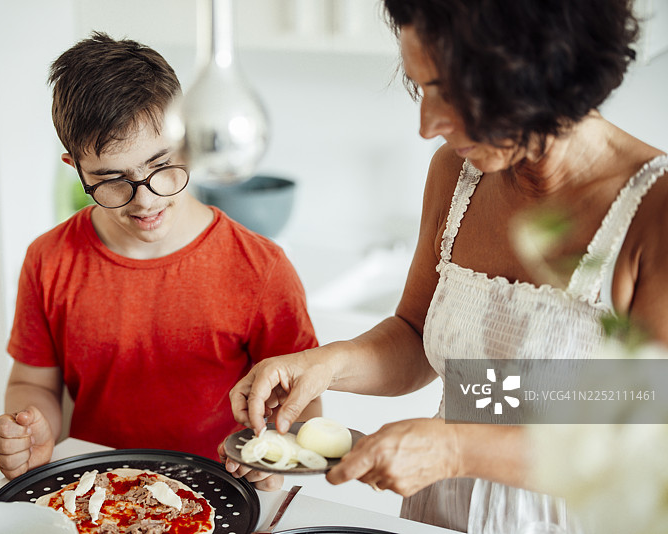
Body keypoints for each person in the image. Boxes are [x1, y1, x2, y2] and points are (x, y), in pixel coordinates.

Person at [228, 0, 668, 531]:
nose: (427, 125)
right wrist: (326, 365)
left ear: (545, 69)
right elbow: (420, 341)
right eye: (422, 87)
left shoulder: (653, 211)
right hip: (439, 516)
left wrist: (459, 448)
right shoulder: (458, 175)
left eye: (452, 93)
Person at [0, 32, 320, 490]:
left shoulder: (261, 267)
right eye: (111, 180)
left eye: (161, 165)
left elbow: (302, 399)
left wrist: (279, 452)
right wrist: (32, 429)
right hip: (98, 493)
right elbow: (33, 383)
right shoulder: (48, 260)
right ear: (76, 168)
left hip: (222, 490)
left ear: (188, 139)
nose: (144, 200)